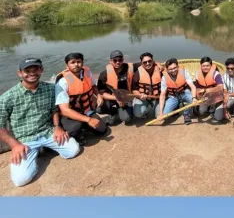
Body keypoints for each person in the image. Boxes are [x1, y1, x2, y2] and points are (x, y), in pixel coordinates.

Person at [0, 57, 80, 187]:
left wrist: (57, 127)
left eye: (35, 69)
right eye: (27, 70)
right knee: (21, 180)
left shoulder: (49, 88)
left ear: (41, 70)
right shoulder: (7, 97)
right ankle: (34, 154)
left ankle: (43, 148)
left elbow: (54, 109)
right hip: (25, 139)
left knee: (73, 150)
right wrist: (14, 145)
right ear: (20, 73)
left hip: (48, 132)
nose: (32, 73)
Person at [55, 52, 107, 143]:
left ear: (82, 63)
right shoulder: (62, 82)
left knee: (102, 130)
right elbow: (65, 110)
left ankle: (84, 125)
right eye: (73, 62)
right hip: (70, 114)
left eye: (79, 62)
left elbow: (93, 86)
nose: (76, 65)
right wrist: (89, 120)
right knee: (74, 128)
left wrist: (98, 95)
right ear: (67, 65)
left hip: (87, 110)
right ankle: (75, 132)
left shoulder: (87, 73)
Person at [97, 50, 135, 126]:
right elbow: (102, 93)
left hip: (126, 97)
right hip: (113, 98)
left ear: (123, 60)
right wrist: (117, 98)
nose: (118, 62)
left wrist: (157, 64)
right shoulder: (104, 74)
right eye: (115, 60)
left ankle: (125, 109)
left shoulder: (128, 67)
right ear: (110, 61)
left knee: (126, 119)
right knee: (99, 109)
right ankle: (113, 112)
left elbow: (144, 63)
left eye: (120, 60)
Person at [158, 58, 196, 125]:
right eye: (170, 69)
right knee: (165, 116)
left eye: (175, 68)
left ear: (178, 67)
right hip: (173, 96)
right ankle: (176, 106)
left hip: (184, 92)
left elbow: (192, 87)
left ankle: (186, 114)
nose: (173, 70)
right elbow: (162, 95)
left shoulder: (184, 72)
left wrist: (194, 98)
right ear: (167, 69)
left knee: (191, 98)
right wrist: (161, 113)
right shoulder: (164, 78)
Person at [132, 52, 163, 119]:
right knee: (138, 114)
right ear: (141, 63)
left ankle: (156, 109)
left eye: (149, 61)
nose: (148, 63)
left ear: (153, 61)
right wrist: (140, 96)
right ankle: (142, 108)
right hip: (144, 98)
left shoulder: (160, 71)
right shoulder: (137, 73)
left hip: (157, 98)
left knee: (159, 117)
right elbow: (134, 89)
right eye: (145, 62)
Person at [194, 57, 224, 124]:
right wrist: (197, 97)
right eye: (203, 66)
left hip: (215, 96)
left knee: (218, 117)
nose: (205, 67)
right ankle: (207, 107)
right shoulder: (198, 73)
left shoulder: (216, 74)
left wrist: (206, 90)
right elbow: (197, 87)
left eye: (207, 66)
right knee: (202, 112)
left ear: (211, 65)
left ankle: (213, 107)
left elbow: (220, 87)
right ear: (200, 66)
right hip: (203, 96)